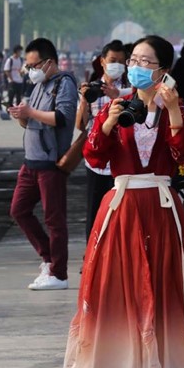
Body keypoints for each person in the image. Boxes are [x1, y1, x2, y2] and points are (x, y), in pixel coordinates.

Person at [64, 35, 184, 368]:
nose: (136, 67)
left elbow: (182, 157)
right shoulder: (117, 105)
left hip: (160, 206)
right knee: (108, 285)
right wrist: (108, 124)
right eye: (134, 60)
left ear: (164, 70)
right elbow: (96, 158)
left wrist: (174, 111)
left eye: (146, 62)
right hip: (121, 203)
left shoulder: (180, 109)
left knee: (158, 287)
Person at [8, 38, 78, 290]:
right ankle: (49, 257)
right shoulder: (39, 85)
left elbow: (62, 117)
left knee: (54, 219)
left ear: (49, 62)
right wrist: (21, 116)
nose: (30, 71)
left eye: (34, 65)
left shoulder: (64, 83)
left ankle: (59, 273)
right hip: (31, 161)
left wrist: (30, 113)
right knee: (18, 210)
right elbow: (32, 121)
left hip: (50, 163)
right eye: (28, 67)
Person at [75, 39, 132, 243]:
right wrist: (83, 100)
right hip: (97, 162)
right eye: (112, 60)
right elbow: (81, 126)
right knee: (94, 210)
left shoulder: (130, 89)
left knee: (121, 211)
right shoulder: (93, 90)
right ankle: (92, 255)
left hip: (123, 161)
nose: (116, 64)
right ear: (102, 61)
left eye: (120, 61)